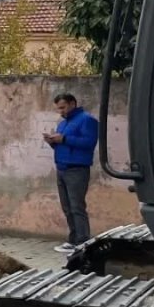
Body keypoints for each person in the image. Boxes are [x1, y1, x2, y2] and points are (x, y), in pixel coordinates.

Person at [43, 93, 99, 253]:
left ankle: (83, 241)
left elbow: (89, 143)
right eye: (58, 109)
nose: (61, 111)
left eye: (63, 107)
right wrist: (52, 142)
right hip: (62, 168)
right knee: (67, 207)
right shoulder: (63, 124)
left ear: (72, 103)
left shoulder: (87, 120)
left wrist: (65, 139)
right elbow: (62, 145)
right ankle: (73, 239)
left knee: (77, 206)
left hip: (77, 169)